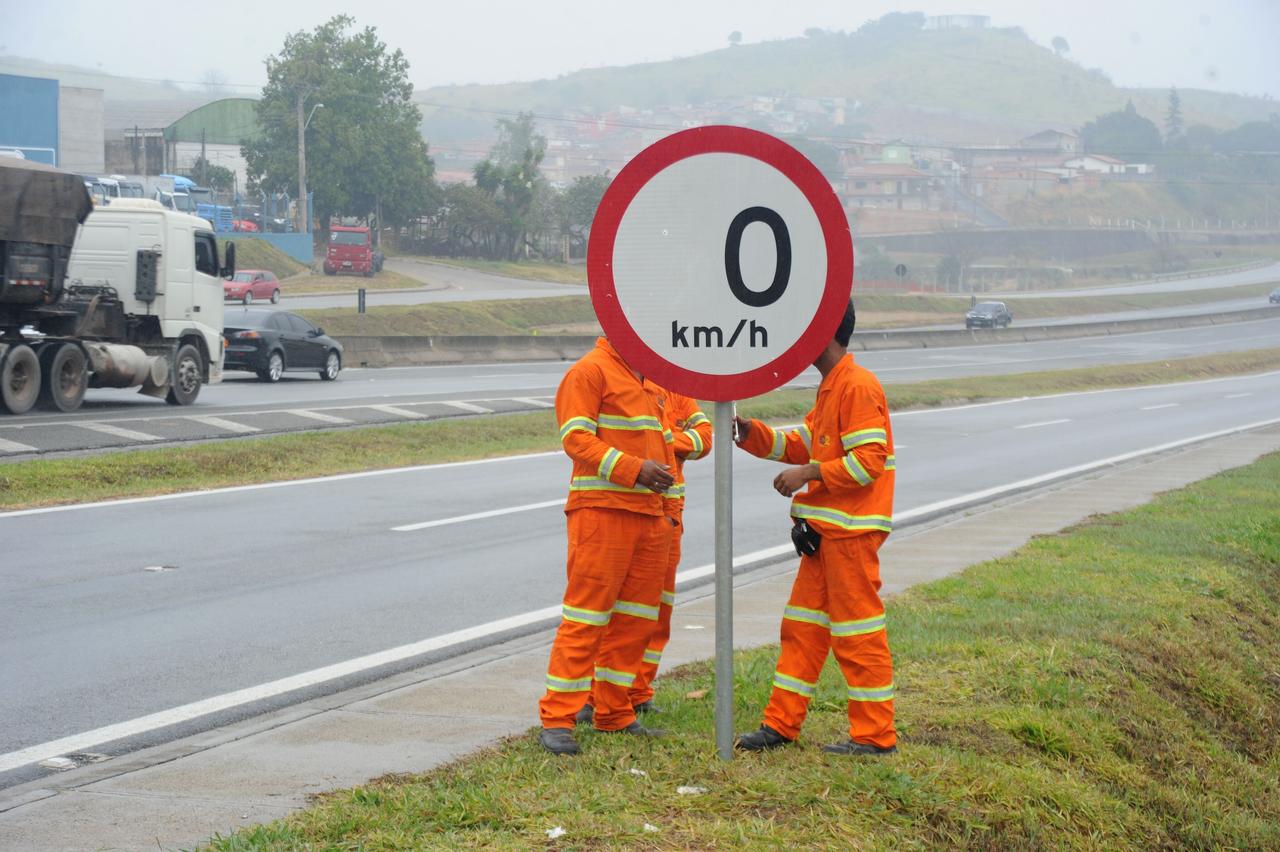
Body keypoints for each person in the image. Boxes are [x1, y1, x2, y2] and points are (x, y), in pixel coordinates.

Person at [732, 301, 898, 756]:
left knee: (857, 633)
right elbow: (803, 443)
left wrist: (808, 474)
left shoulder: (858, 386)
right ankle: (780, 726)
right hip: (824, 538)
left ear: (824, 332)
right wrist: (750, 434)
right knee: (801, 630)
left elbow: (869, 461)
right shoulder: (833, 388)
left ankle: (875, 736)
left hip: (850, 537)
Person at [538, 337, 676, 756]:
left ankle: (614, 712)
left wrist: (666, 509)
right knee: (587, 617)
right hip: (602, 512)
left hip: (649, 517)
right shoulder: (590, 371)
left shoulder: (650, 380)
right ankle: (558, 719)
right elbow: (575, 439)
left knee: (635, 622)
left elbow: (666, 446)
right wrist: (634, 470)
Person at [576, 384, 713, 724]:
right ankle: (594, 698)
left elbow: (705, 437)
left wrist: (666, 442)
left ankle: (637, 691)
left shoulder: (677, 391)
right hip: (629, 511)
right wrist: (675, 441)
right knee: (615, 614)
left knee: (655, 613)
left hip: (669, 515)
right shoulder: (619, 385)